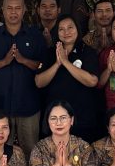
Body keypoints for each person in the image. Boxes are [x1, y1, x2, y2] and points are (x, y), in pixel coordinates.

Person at [0, 0, 46, 156]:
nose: (13, 12)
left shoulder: (35, 36)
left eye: (18, 8)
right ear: (3, 10)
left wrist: (23, 60)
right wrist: (3, 62)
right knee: (0, 152)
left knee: (31, 152)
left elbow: (44, 65)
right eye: (9, 8)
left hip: (28, 106)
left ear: (24, 10)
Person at [35, 14, 102, 142]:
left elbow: (92, 81)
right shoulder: (50, 53)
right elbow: (39, 82)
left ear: (77, 29)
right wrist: (57, 64)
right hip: (56, 118)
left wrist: (66, 62)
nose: (66, 32)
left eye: (70, 27)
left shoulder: (87, 52)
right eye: (62, 29)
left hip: (82, 116)